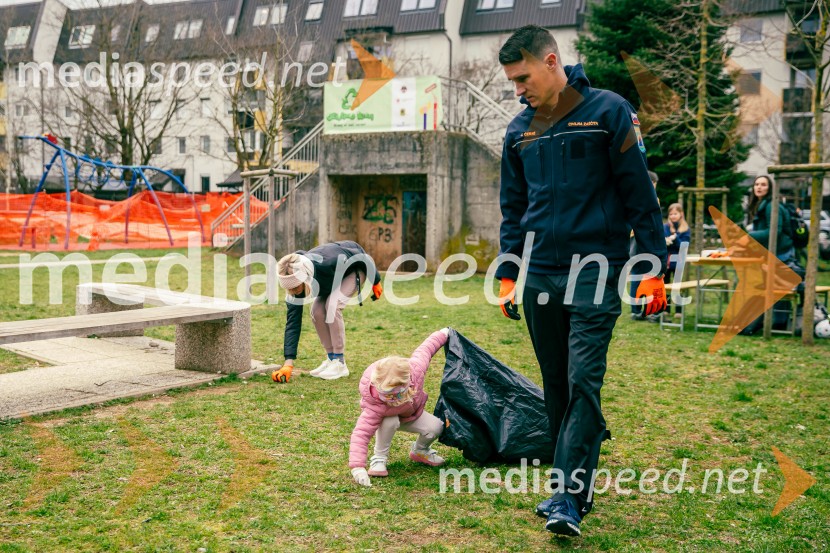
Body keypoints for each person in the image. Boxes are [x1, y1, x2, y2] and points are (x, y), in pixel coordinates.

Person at [496, 25, 667, 537]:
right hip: (540, 277)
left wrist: (653, 267)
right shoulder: (517, 130)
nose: (518, 89)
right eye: (511, 82)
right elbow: (513, 209)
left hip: (596, 272)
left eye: (523, 77)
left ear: (552, 62)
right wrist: (508, 273)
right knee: (557, 387)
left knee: (583, 382)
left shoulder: (609, 112)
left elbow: (640, 194)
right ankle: (577, 483)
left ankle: (566, 497)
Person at [348, 328, 450, 487]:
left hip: (410, 415)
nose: (392, 399)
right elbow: (361, 433)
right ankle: (379, 458)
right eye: (386, 393)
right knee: (390, 421)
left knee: (436, 427)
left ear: (408, 383)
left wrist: (444, 333)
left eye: (397, 393)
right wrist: (357, 467)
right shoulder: (375, 403)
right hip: (387, 419)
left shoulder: (415, 369)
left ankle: (420, 450)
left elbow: (426, 348)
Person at [272, 241, 383, 382]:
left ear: (305, 276)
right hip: (331, 279)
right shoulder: (294, 285)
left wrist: (376, 281)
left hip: (354, 268)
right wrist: (288, 364)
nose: (294, 292)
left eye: (296, 287)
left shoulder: (327, 261)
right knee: (316, 312)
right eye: (290, 288)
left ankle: (340, 363)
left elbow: (363, 258)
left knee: (333, 306)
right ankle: (331, 359)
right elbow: (293, 323)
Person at [630, 171, 660, 320]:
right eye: (654, 184)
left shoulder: (633, 193)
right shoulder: (651, 197)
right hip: (642, 239)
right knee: (642, 273)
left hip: (634, 237)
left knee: (638, 273)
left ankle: (637, 309)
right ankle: (640, 308)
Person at [745, 175, 794, 263]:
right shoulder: (763, 204)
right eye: (756, 184)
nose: (759, 187)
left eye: (763, 185)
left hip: (780, 252)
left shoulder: (771, 205)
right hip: (772, 251)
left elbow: (774, 231)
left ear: (769, 188)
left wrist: (749, 236)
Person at [662, 203, 691, 319]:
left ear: (681, 214)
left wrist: (675, 236)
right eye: (671, 214)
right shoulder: (665, 227)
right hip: (667, 261)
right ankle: (666, 309)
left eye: (675, 214)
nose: (673, 216)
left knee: (677, 286)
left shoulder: (685, 229)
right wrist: (667, 241)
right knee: (666, 285)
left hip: (678, 261)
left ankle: (678, 310)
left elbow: (683, 246)